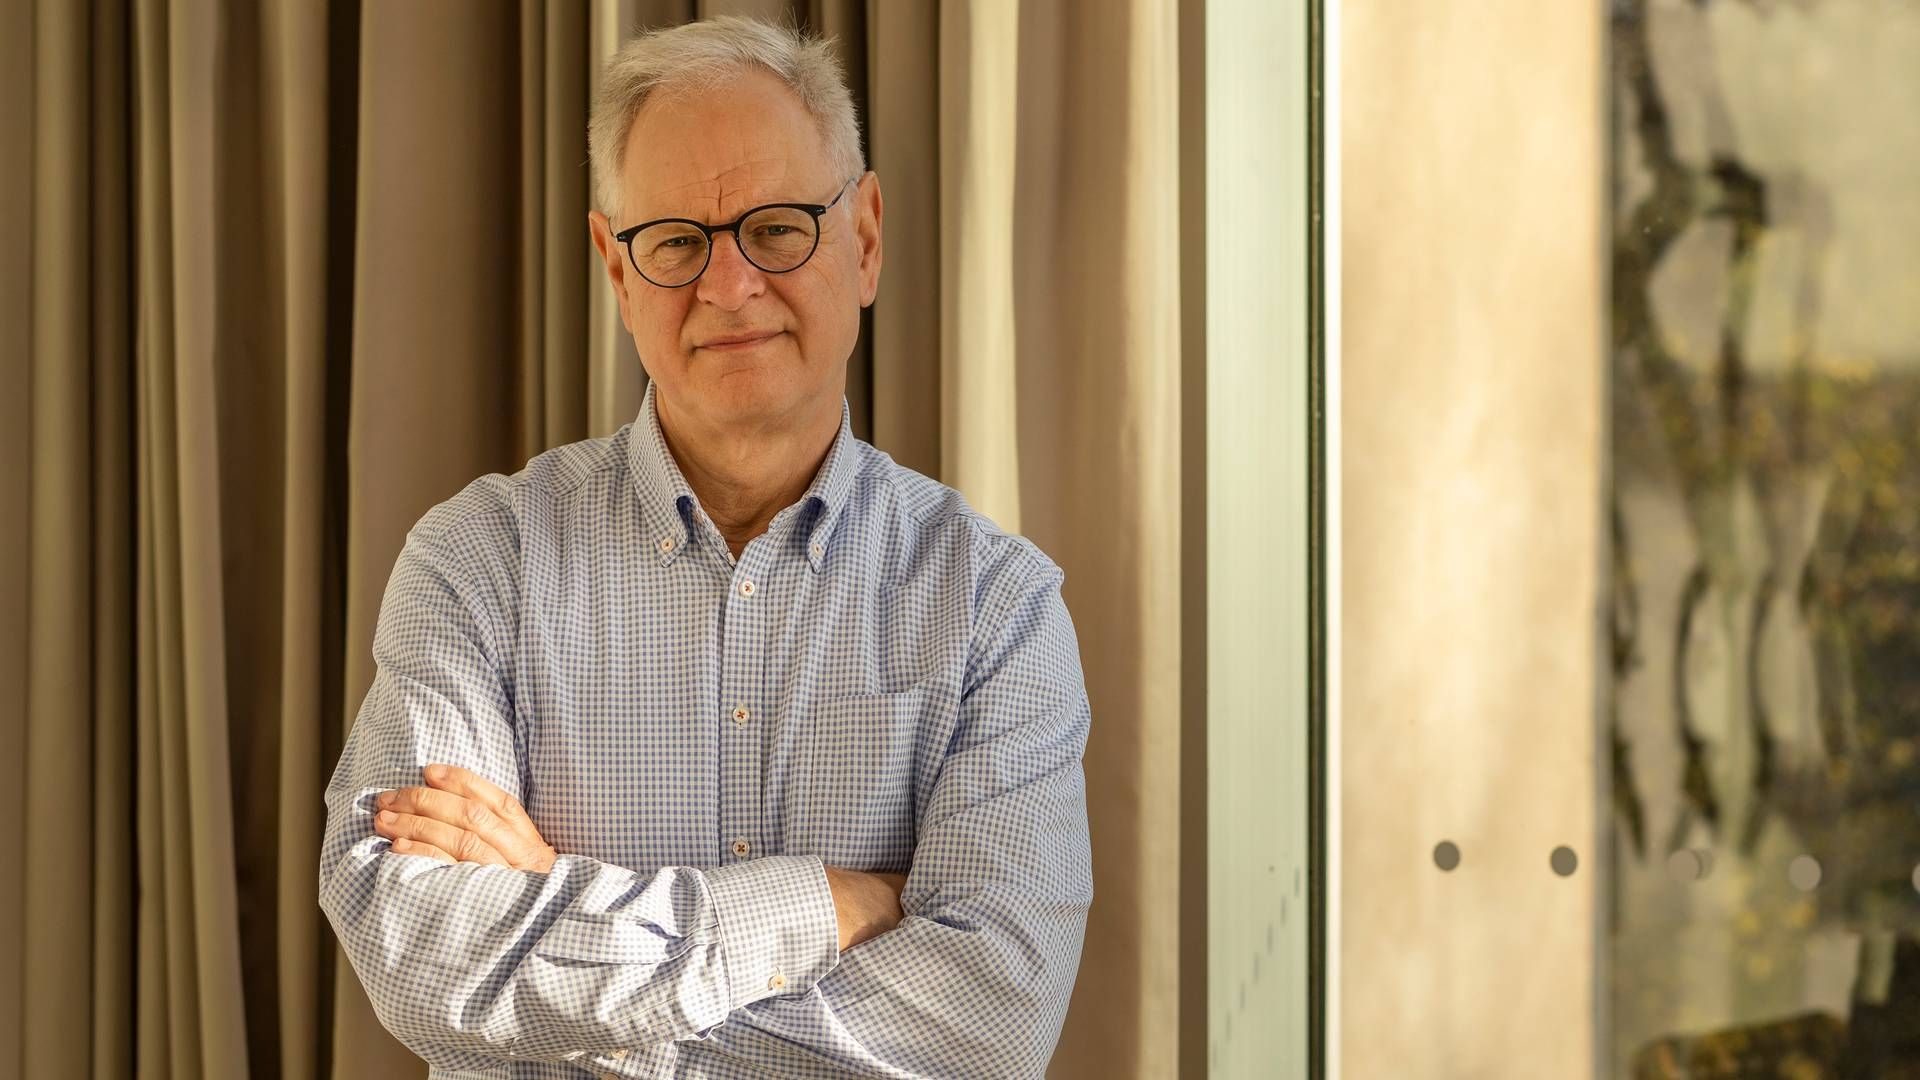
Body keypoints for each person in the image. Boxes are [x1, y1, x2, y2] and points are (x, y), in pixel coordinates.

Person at [317, 15, 1094, 1079]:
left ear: (863, 238)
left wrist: (561, 924)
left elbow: (985, 1028)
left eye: (776, 228)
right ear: (615, 267)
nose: (728, 288)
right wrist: (822, 904)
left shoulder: (996, 610)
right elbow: (417, 957)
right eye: (677, 240)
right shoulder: (476, 565)